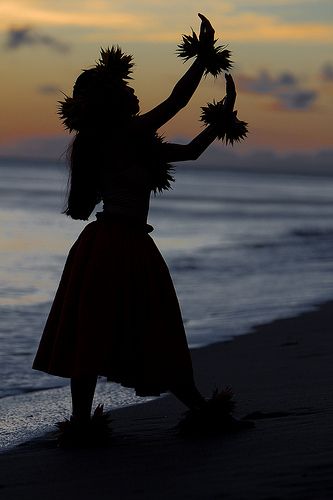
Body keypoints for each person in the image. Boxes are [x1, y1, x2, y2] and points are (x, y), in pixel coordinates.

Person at [33, 14, 244, 436]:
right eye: (125, 89)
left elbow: (190, 154)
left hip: (121, 244)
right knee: (126, 326)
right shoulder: (120, 136)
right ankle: (86, 423)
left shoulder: (133, 143)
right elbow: (176, 101)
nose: (133, 91)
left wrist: (221, 121)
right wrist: (203, 58)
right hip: (115, 245)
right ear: (111, 102)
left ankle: (191, 409)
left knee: (141, 325)